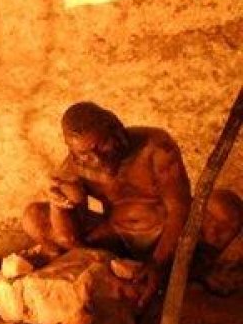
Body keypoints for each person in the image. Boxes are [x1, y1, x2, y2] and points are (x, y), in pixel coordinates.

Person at [23, 101, 243, 305]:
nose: (97, 159)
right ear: (73, 150)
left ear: (117, 130)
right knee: (34, 217)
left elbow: (179, 208)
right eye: (85, 154)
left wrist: (157, 263)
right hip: (117, 237)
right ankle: (119, 275)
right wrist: (57, 203)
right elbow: (67, 238)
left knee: (225, 207)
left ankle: (185, 272)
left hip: (166, 232)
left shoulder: (155, 146)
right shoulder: (75, 165)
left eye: (102, 146)